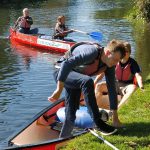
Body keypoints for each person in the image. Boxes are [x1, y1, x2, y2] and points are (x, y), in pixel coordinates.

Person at [48, 40, 126, 138]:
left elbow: (112, 89)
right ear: (107, 53)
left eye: (118, 61)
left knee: (71, 112)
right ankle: (97, 123)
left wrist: (115, 118)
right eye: (115, 59)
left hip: (76, 77)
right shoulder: (92, 52)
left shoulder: (109, 65)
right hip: (61, 72)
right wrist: (58, 90)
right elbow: (66, 65)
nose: (116, 63)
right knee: (87, 81)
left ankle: (63, 138)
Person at [94, 41, 144, 127]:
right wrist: (94, 82)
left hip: (126, 86)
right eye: (123, 52)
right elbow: (102, 73)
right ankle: (94, 108)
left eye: (126, 51)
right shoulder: (115, 60)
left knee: (133, 88)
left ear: (130, 52)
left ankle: (117, 109)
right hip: (115, 84)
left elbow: (138, 76)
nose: (124, 54)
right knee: (99, 86)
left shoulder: (132, 63)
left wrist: (142, 86)